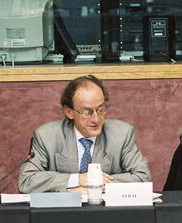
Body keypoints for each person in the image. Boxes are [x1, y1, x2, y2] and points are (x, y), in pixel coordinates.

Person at [18, 75, 151, 193]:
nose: (96, 119)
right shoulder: (47, 136)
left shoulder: (122, 134)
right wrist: (77, 179)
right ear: (69, 112)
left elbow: (143, 177)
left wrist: (95, 183)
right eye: (87, 112)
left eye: (100, 109)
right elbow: (26, 181)